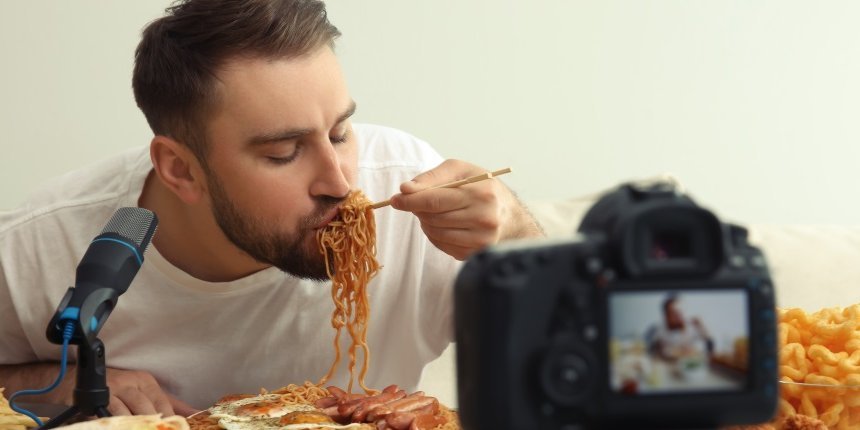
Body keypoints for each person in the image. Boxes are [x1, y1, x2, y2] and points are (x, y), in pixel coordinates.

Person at [0, 0, 543, 418]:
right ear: (180, 169)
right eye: (283, 153)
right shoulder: (44, 243)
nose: (339, 179)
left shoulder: (406, 188)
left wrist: (517, 236)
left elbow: (591, 356)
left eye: (341, 131)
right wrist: (65, 381)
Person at [648, 295, 714, 362]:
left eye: (680, 311)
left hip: (689, 364)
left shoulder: (691, 326)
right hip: (668, 365)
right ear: (666, 316)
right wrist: (657, 349)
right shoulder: (658, 329)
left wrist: (702, 326)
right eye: (674, 313)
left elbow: (710, 344)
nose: (679, 316)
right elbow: (649, 350)